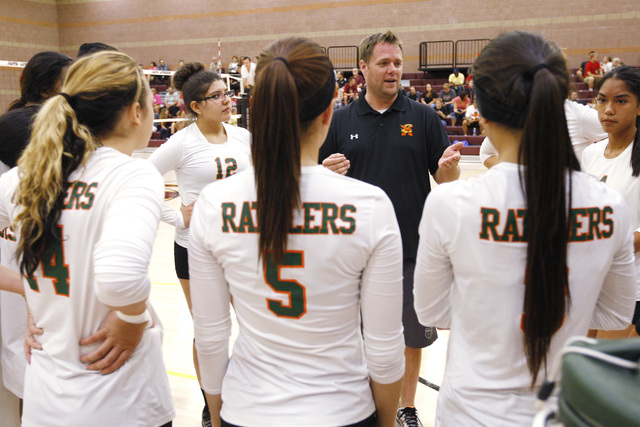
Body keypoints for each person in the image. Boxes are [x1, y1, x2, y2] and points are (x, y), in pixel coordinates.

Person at [413, 31, 636, 426]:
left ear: (479, 108)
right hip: (560, 410)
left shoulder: (450, 203)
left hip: (471, 412)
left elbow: (432, 310)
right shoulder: (609, 206)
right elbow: (616, 315)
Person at [189, 36, 405, 427]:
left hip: (248, 410)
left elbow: (210, 337)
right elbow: (385, 349)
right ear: (329, 111)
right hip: (344, 411)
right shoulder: (370, 205)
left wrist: (219, 417)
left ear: (257, 109)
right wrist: (387, 422)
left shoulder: (212, 203)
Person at [0, 50, 175, 426]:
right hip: (122, 402)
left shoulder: (21, 178)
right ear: (135, 111)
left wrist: (32, 293)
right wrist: (131, 315)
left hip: (46, 403)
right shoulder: (133, 175)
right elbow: (121, 277)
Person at [319, 31, 462, 427]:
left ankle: (406, 407)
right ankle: (364, 405)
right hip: (352, 253)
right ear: (363, 68)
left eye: (397, 63)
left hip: (412, 250)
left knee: (409, 338)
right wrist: (323, 172)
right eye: (383, 63)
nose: (393, 70)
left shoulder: (424, 117)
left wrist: (449, 172)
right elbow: (314, 183)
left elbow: (445, 185)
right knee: (358, 337)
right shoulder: (341, 120)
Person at [148, 61, 251, 427]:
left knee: (253, 323)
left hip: (241, 247)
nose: (227, 100)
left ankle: (247, 393)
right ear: (195, 105)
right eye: (217, 96)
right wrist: (175, 216)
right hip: (195, 249)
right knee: (210, 332)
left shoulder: (242, 137)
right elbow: (137, 180)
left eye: (227, 92)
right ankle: (212, 404)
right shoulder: (181, 143)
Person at [582, 65, 640, 338]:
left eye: (621, 101)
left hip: (633, 288)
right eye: (602, 100)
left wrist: (604, 245)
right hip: (593, 282)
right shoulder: (591, 154)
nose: (608, 109)